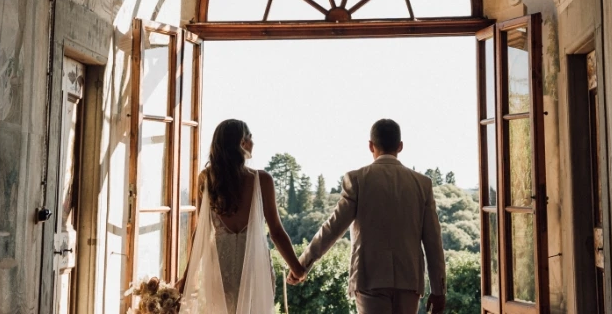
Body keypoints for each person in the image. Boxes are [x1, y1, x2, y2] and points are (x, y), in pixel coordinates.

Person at [290, 119, 446, 314]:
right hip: (409, 280)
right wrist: (439, 290)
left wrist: (303, 264)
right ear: (400, 146)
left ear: (370, 145)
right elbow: (433, 241)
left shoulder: (357, 180)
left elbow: (332, 228)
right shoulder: (422, 184)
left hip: (369, 277)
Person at [179, 119, 305, 314]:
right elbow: (276, 232)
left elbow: (201, 234)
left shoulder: (207, 179)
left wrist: (187, 278)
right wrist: (297, 268)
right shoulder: (261, 180)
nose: (253, 143)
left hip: (221, 272)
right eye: (250, 138)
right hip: (255, 269)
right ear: (242, 143)